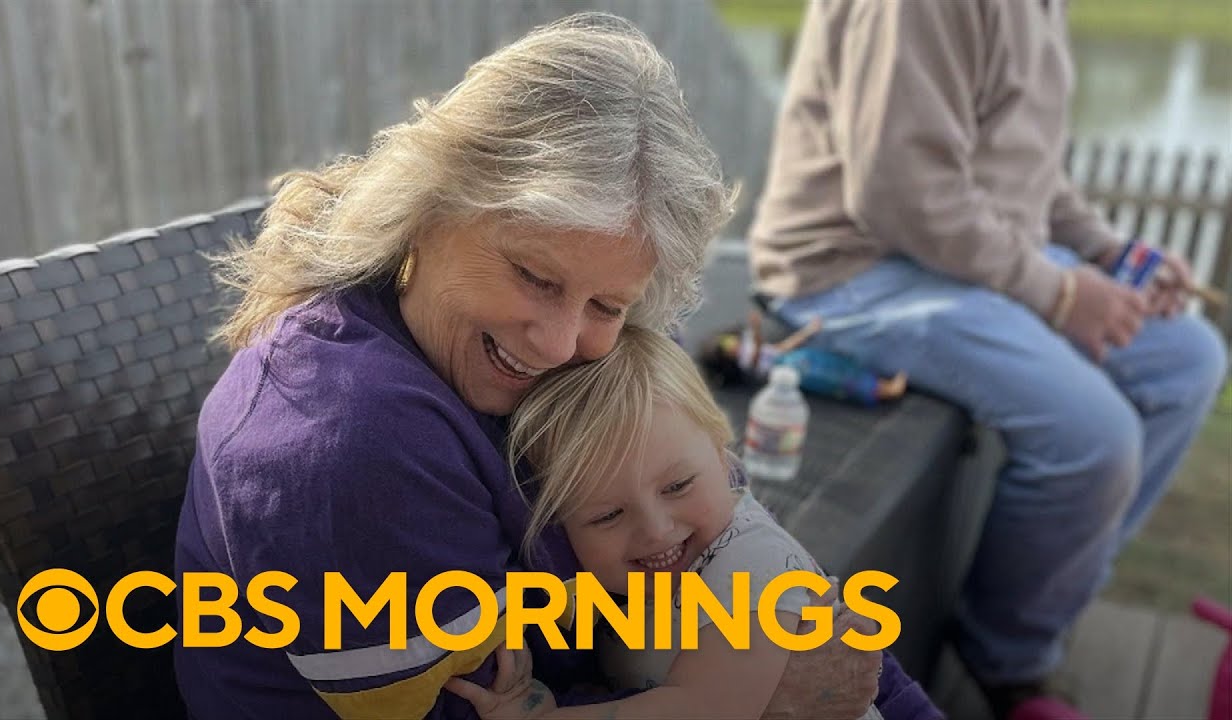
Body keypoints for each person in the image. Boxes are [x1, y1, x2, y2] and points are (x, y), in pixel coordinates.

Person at [174, 13, 913, 720]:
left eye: (608, 304)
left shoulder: (614, 351)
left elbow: (767, 568)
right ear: (431, 209)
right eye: (535, 276)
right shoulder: (347, 438)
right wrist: (737, 697)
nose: (562, 346)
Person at [748, 1, 1229, 718]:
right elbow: (897, 188)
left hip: (963, 259)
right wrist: (1061, 293)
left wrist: (1108, 252)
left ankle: (1051, 589)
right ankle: (1007, 663)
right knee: (1095, 435)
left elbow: (1022, 167)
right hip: (854, 272)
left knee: (1186, 358)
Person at [445, 326, 906, 719]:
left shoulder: (751, 563)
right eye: (608, 515)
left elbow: (701, 708)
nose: (656, 529)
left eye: (678, 486)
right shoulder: (621, 589)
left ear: (722, 454)